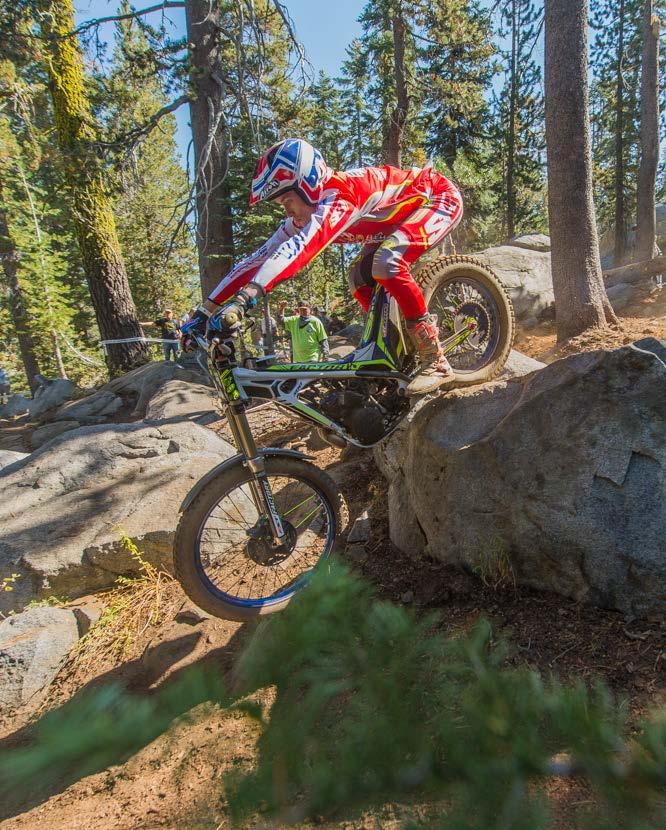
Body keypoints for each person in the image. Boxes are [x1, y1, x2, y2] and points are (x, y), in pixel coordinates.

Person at [181, 138, 463, 394]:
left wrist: (246, 298)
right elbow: (257, 259)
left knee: (386, 262)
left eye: (287, 200)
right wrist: (205, 311)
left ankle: (435, 359)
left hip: (437, 197)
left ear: (307, 185)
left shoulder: (340, 195)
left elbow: (298, 250)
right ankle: (395, 347)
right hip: (393, 223)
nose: (287, 210)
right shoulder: (306, 213)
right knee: (359, 279)